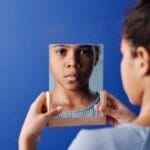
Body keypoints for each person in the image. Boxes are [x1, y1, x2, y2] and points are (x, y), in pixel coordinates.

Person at [19, 0, 150, 149]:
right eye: (61, 51)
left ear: (142, 60)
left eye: (123, 54)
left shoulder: (94, 144)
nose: (73, 62)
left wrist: (27, 141)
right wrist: (134, 129)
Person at [49, 44, 101, 118]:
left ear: (96, 58)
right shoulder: (38, 110)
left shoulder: (110, 107)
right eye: (61, 51)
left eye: (84, 52)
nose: (73, 63)